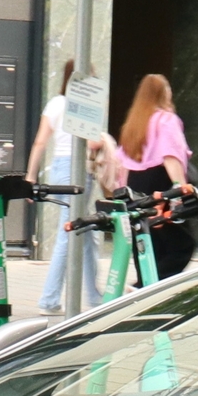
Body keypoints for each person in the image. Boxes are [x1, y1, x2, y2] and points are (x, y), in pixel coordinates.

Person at [26, 59, 115, 313]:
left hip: (59, 168)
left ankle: (95, 297)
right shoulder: (85, 105)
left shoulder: (55, 103)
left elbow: (40, 142)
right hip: (78, 169)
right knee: (69, 233)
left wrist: (31, 177)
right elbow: (92, 143)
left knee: (86, 235)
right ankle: (49, 299)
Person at [116, 73, 195, 277]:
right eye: (168, 88)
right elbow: (171, 156)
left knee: (147, 243)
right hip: (161, 183)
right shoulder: (166, 120)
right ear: (163, 93)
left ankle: (144, 284)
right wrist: (179, 188)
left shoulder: (133, 124)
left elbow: (122, 163)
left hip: (135, 184)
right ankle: (149, 288)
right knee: (181, 246)